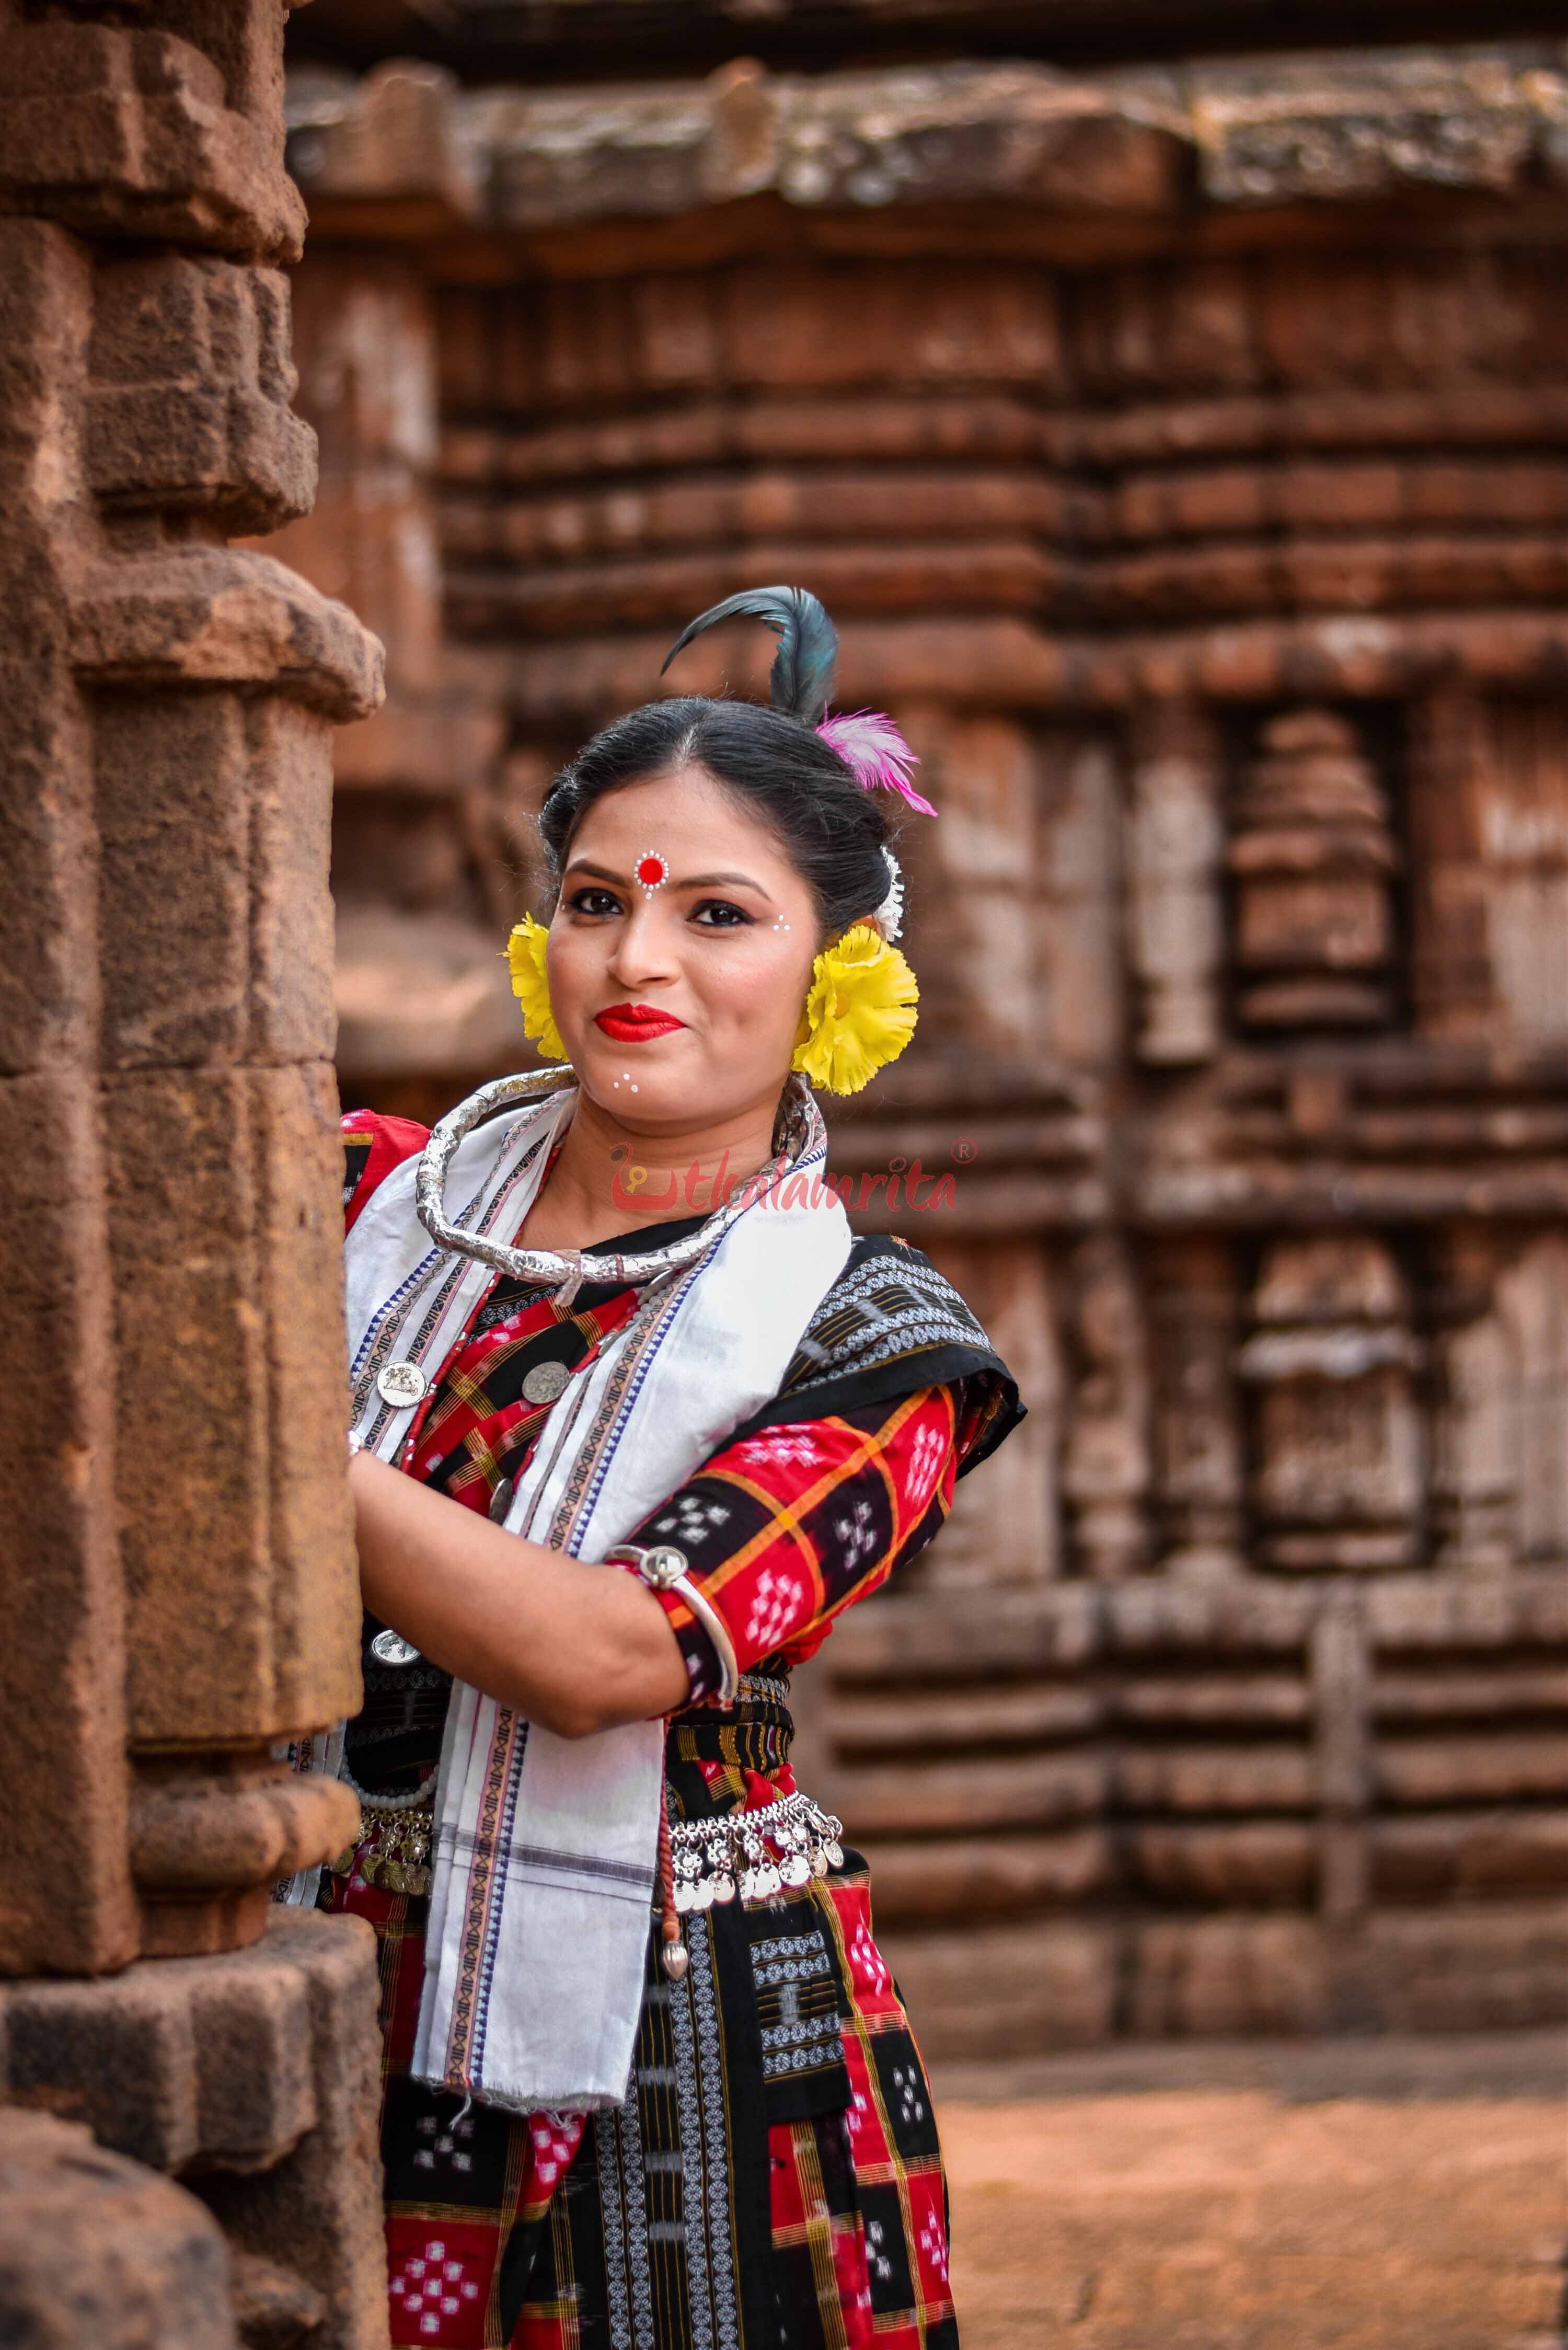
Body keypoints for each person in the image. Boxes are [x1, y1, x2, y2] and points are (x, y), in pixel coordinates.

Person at [283, 586, 1023, 2350]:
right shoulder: (359, 1193)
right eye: (598, 901)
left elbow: (611, 1654)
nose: (639, 962)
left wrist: (268, 1441)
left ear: (838, 972)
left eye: (720, 914)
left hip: (689, 2048)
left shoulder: (876, 1339)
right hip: (307, 1971)